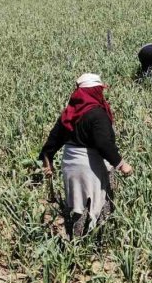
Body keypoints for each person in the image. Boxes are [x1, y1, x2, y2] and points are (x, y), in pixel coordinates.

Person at [39, 73, 133, 237]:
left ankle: (75, 241)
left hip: (69, 163)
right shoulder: (97, 114)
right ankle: (95, 241)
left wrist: (48, 159)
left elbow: (54, 139)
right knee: (97, 202)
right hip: (89, 164)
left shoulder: (70, 113)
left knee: (76, 203)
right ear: (96, 91)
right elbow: (103, 144)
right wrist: (121, 164)